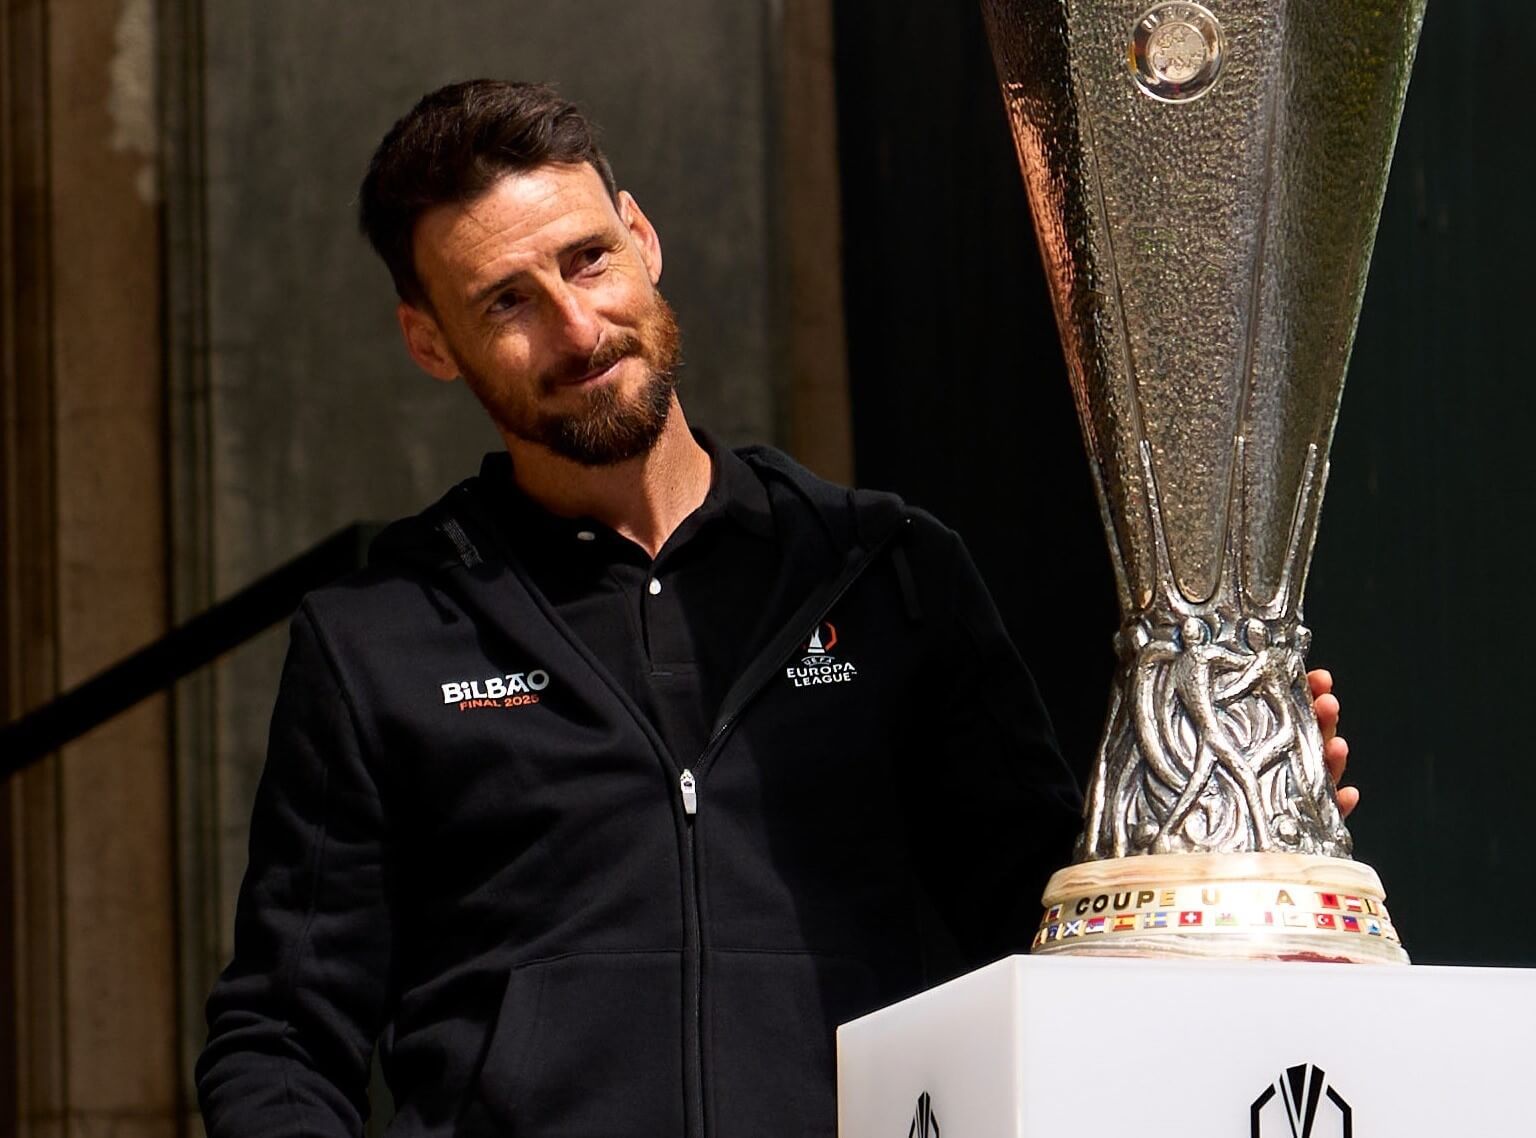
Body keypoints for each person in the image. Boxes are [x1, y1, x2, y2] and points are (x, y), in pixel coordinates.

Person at [195, 79, 1356, 1138]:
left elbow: (1045, 934)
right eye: (507, 301)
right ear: (430, 342)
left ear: (642, 237)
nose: (576, 329)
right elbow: (281, 1038)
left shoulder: (884, 571)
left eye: (588, 259)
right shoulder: (381, 638)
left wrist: (1216, 822)